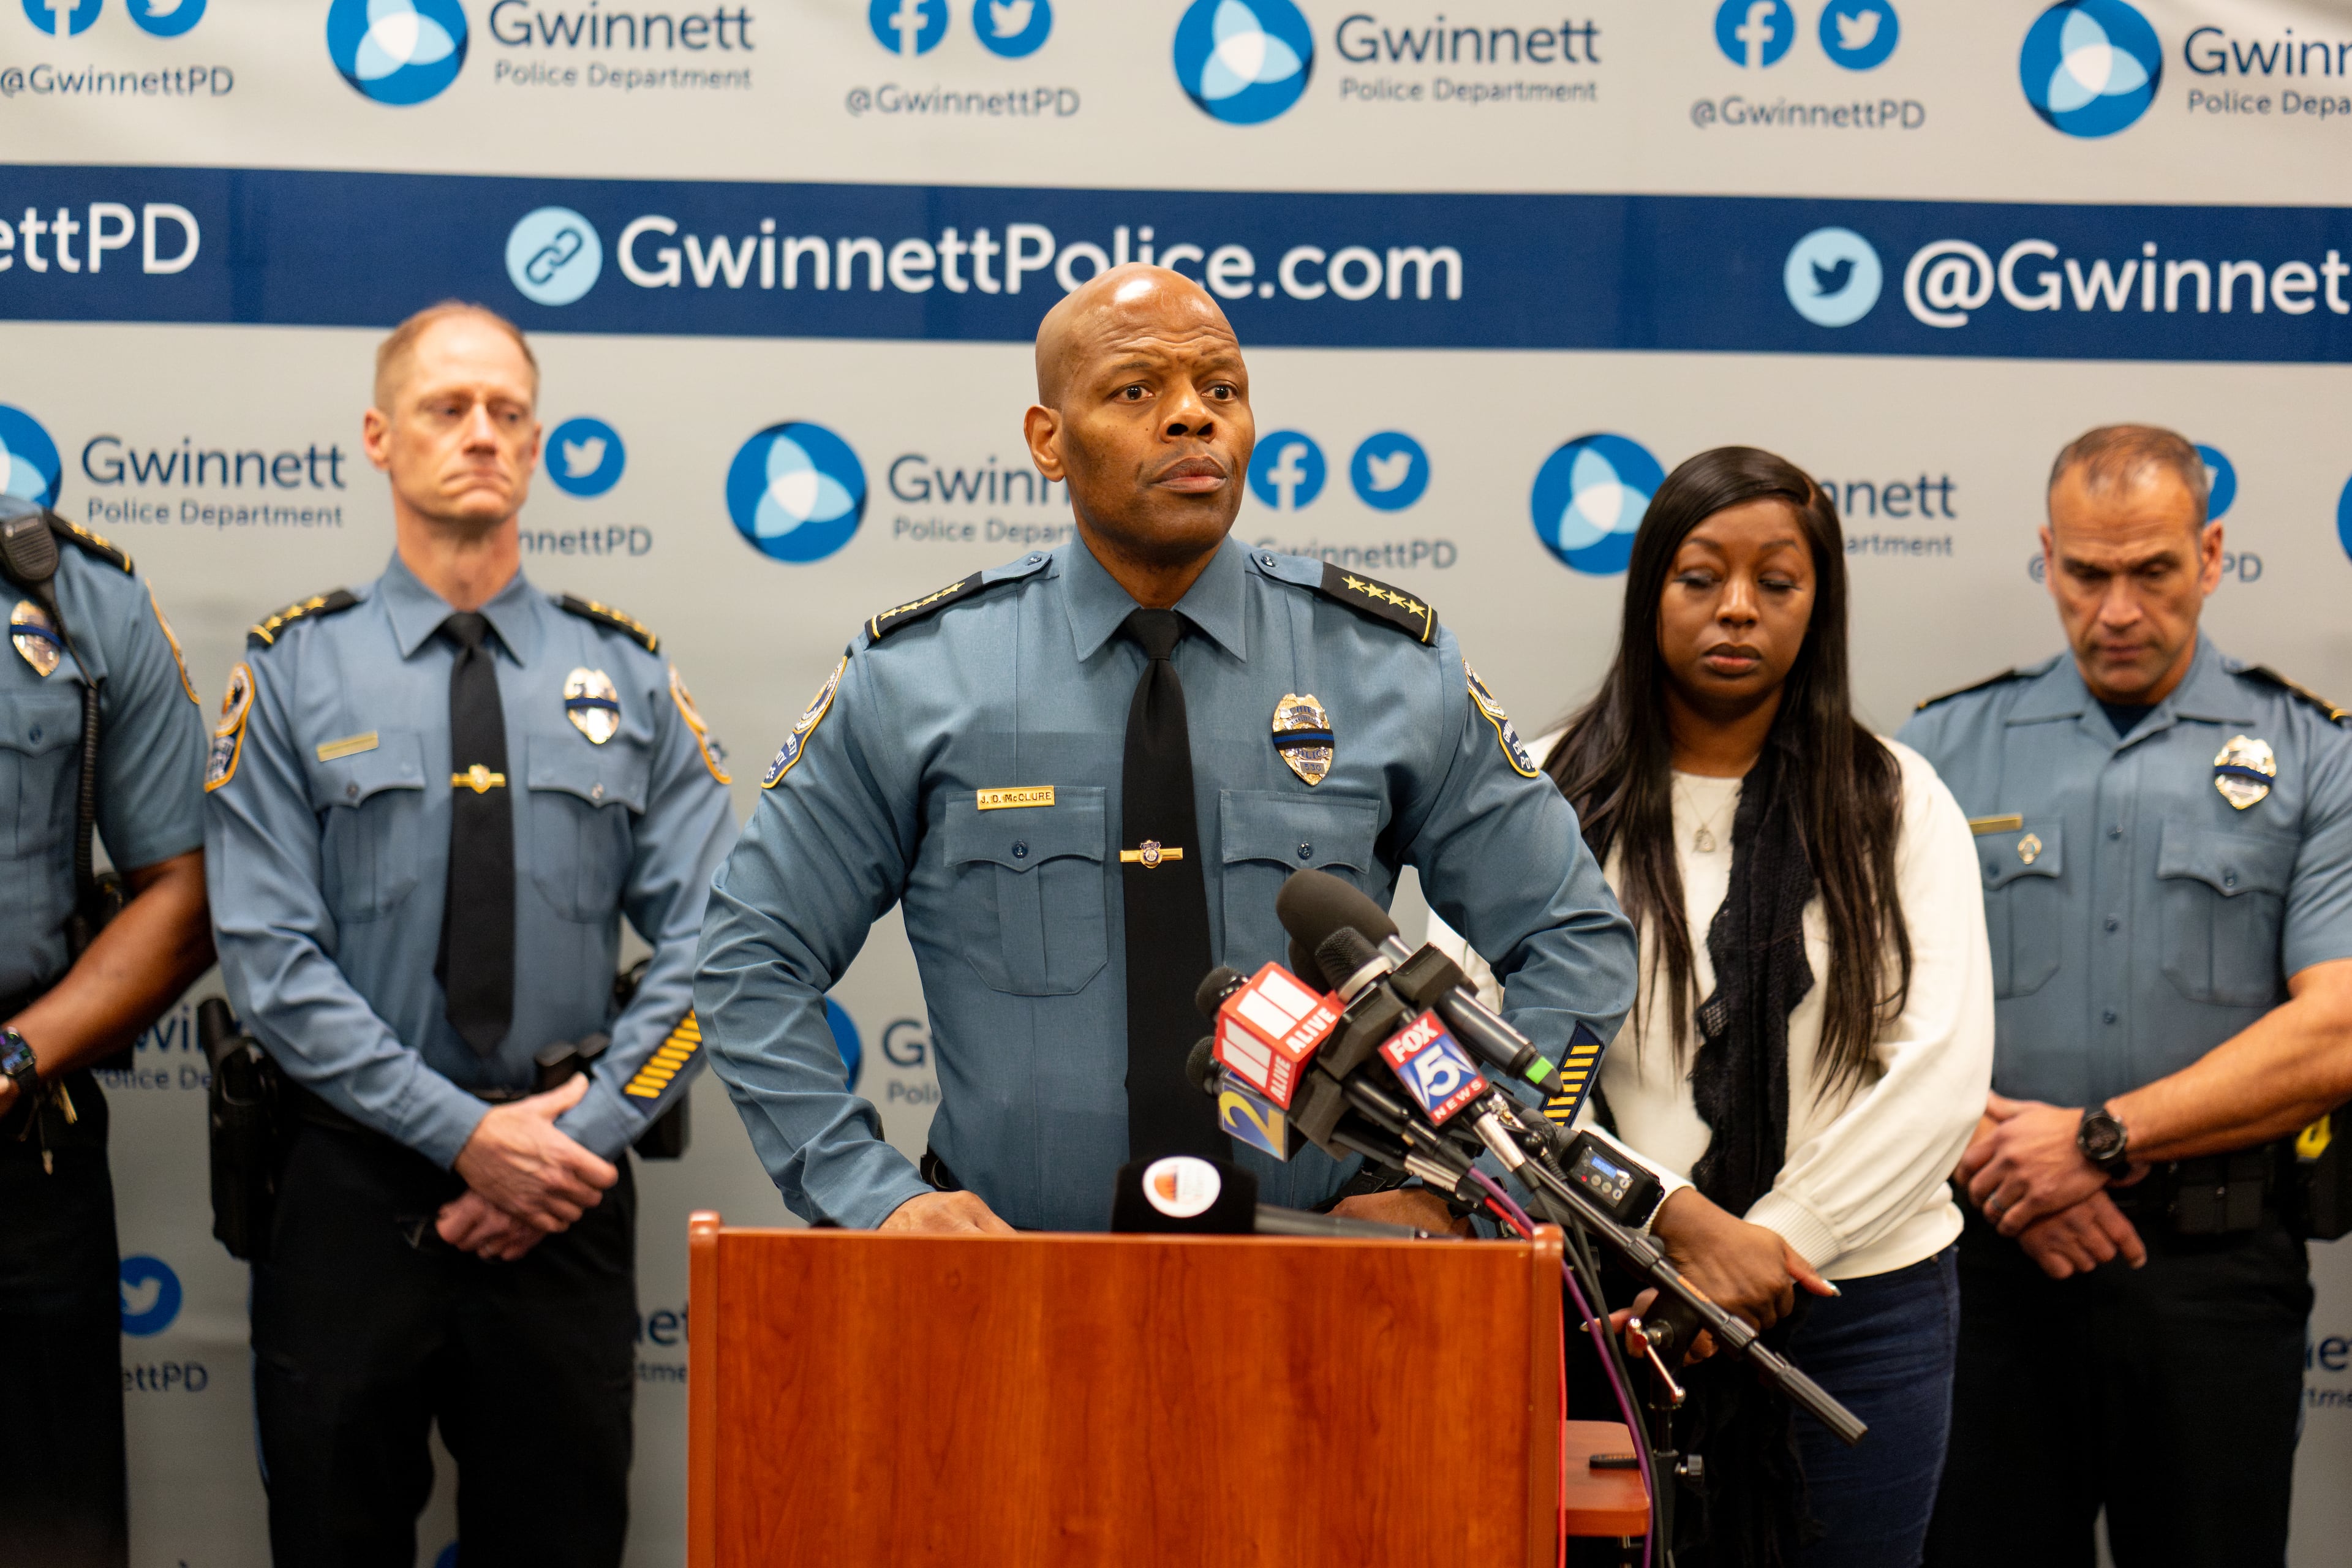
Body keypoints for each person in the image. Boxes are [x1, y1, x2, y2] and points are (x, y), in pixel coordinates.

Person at [696, 263, 1638, 1235]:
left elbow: (1576, 941)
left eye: (1220, 390)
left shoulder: (1387, 668)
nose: (1192, 418)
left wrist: (1475, 1184)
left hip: (1336, 1292)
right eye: (1137, 390)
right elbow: (748, 958)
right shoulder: (919, 679)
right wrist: (874, 1200)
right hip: (1015, 1291)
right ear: (1047, 441)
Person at [203, 301, 737, 1568]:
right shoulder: (292, 675)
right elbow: (272, 966)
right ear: (382, 438)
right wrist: (462, 1136)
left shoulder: (634, 680)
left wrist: (577, 1137)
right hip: (347, 1185)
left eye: (507, 412)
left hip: (568, 1187)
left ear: (539, 446)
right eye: (448, 408)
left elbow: (722, 956)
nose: (481, 435)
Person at [1433, 447, 1992, 1566]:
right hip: (1592, 1292)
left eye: (1775, 583)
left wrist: (1774, 1246)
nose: (1737, 609)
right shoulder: (1540, 791)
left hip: (1857, 1304)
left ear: (1816, 605)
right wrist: (1662, 1221)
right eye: (1701, 578)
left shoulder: (1892, 798)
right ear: (1651, 594)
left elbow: (1937, 1067)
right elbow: (1474, 1049)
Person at [1903, 424, 2352, 1568]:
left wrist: (2095, 1143)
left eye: (2151, 571)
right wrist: (2013, 1164)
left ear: (2209, 556)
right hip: (1988, 1270)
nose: (2115, 610)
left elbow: (2337, 1030)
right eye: (2088, 574)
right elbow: (1866, 1014)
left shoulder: (2314, 755)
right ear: (2047, 558)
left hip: (2213, 1277)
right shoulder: (1939, 750)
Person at [0, 500, 214, 1568]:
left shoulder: (71, 594)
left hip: (17, 1131)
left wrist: (11, 1059)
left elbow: (183, 891)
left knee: (51, 1535)